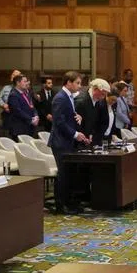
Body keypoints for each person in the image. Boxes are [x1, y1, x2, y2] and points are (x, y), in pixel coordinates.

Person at [50, 71, 91, 214]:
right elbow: (59, 122)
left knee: (69, 174)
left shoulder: (68, 97)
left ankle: (69, 202)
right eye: (78, 83)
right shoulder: (60, 98)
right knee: (62, 174)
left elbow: (67, 117)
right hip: (61, 142)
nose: (80, 86)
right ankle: (61, 206)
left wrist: (77, 117)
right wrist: (75, 134)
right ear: (68, 82)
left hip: (68, 142)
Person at [76, 78, 112, 146]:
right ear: (95, 89)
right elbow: (77, 124)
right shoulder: (81, 101)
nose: (103, 97)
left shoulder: (97, 101)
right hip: (78, 141)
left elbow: (94, 121)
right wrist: (84, 138)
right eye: (102, 94)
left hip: (88, 140)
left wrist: (91, 134)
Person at [6, 73, 39, 139]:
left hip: (29, 127)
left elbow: (32, 106)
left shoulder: (27, 93)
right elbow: (17, 111)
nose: (27, 83)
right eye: (24, 81)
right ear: (18, 83)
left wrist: (36, 115)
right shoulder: (13, 95)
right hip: (19, 129)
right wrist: (31, 119)